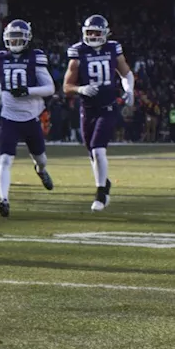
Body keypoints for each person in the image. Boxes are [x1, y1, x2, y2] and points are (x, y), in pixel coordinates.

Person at [0, 19, 55, 218]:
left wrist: (28, 90)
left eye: (19, 38)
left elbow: (50, 88)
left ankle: (41, 170)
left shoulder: (35, 57)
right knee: (4, 160)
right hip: (9, 117)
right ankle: (4, 200)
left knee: (41, 158)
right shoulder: (0, 58)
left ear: (27, 39)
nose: (15, 42)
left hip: (31, 117)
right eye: (12, 38)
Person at [63, 14, 133, 212]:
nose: (93, 36)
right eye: (90, 32)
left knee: (98, 149)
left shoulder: (112, 48)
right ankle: (105, 183)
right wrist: (81, 89)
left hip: (108, 106)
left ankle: (101, 193)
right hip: (88, 108)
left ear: (105, 33)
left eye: (97, 32)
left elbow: (125, 72)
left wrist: (129, 90)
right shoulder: (78, 52)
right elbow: (67, 86)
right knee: (92, 153)